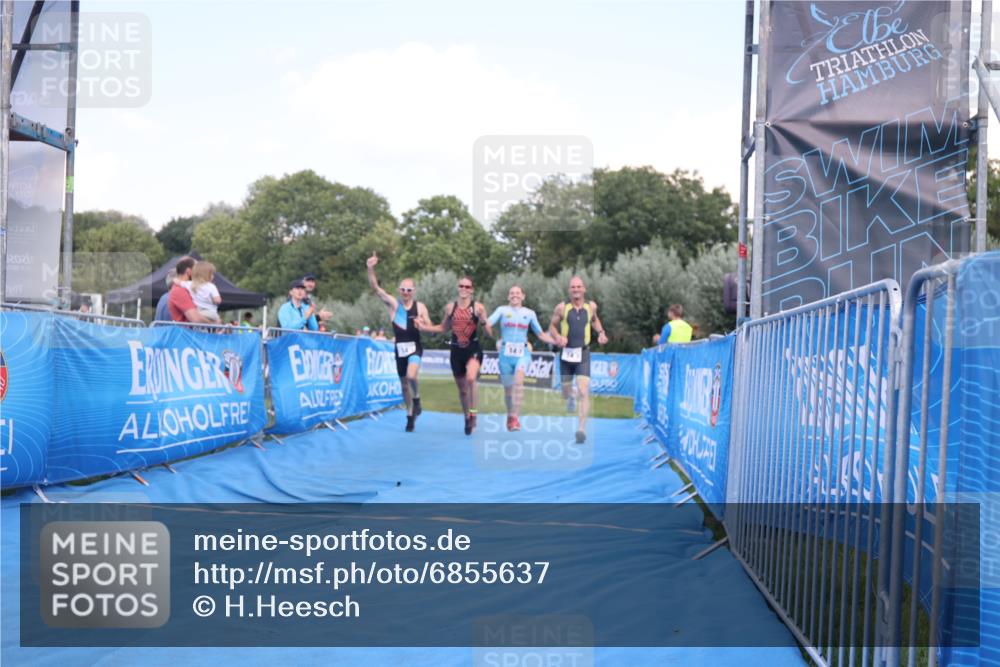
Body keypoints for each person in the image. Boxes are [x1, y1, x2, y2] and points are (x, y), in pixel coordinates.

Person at [417, 275, 491, 435]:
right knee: (463, 391)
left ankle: (473, 413)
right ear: (458, 288)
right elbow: (443, 328)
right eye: (461, 286)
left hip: (473, 349)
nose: (464, 289)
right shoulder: (450, 308)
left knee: (471, 378)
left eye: (467, 287)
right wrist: (423, 328)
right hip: (456, 352)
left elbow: (489, 333)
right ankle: (466, 418)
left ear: (472, 290)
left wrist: (484, 320)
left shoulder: (478, 307)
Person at [367, 252, 431, 432]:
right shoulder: (394, 305)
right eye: (403, 289)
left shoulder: (420, 307)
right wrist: (370, 268)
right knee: (404, 385)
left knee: (411, 376)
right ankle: (410, 415)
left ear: (414, 291)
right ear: (399, 290)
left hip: (415, 347)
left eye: (409, 290)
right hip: (400, 350)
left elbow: (430, 329)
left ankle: (417, 399)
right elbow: (376, 288)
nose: (406, 292)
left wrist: (423, 324)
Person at [486, 285, 558, 432]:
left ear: (523, 296)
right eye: (512, 293)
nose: (515, 295)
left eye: (518, 293)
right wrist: (482, 323)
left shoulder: (529, 313)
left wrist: (557, 341)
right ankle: (510, 415)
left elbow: (540, 334)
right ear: (508, 297)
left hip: (522, 354)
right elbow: (487, 323)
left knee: (518, 383)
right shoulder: (502, 310)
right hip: (505, 355)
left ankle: (515, 418)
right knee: (508, 390)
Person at [548, 276, 608, 444]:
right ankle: (570, 396)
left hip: (583, 354)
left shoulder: (591, 306)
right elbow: (552, 326)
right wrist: (558, 337)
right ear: (569, 290)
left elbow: (595, 320)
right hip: (566, 355)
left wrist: (601, 333)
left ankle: (581, 429)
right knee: (566, 392)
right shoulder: (562, 308)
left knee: (584, 390)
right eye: (573, 287)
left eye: (578, 287)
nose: (576, 289)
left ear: (584, 289)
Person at [168, 257, 213, 324]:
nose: (200, 274)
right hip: (187, 330)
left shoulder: (188, 289)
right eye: (197, 271)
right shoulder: (179, 291)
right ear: (189, 272)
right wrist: (216, 324)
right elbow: (196, 319)